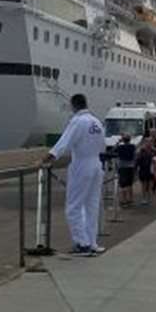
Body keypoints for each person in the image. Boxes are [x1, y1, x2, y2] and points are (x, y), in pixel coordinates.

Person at [41, 94, 107, 256]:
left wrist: (46, 159)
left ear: (73, 105)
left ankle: (81, 243)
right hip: (96, 164)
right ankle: (91, 242)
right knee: (92, 206)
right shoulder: (96, 122)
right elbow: (103, 146)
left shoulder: (78, 121)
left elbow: (63, 143)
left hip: (82, 164)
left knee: (74, 206)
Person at [114, 134, 137, 208]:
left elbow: (113, 150)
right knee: (129, 184)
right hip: (130, 166)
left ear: (123, 140)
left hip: (122, 167)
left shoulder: (120, 147)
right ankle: (130, 200)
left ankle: (124, 200)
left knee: (123, 184)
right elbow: (135, 154)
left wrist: (118, 142)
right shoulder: (132, 147)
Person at [135, 139, 156, 206]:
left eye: (149, 142)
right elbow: (138, 160)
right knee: (144, 184)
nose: (148, 144)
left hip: (151, 169)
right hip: (143, 169)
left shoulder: (153, 150)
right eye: (147, 142)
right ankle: (144, 198)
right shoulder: (141, 151)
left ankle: (149, 198)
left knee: (150, 184)